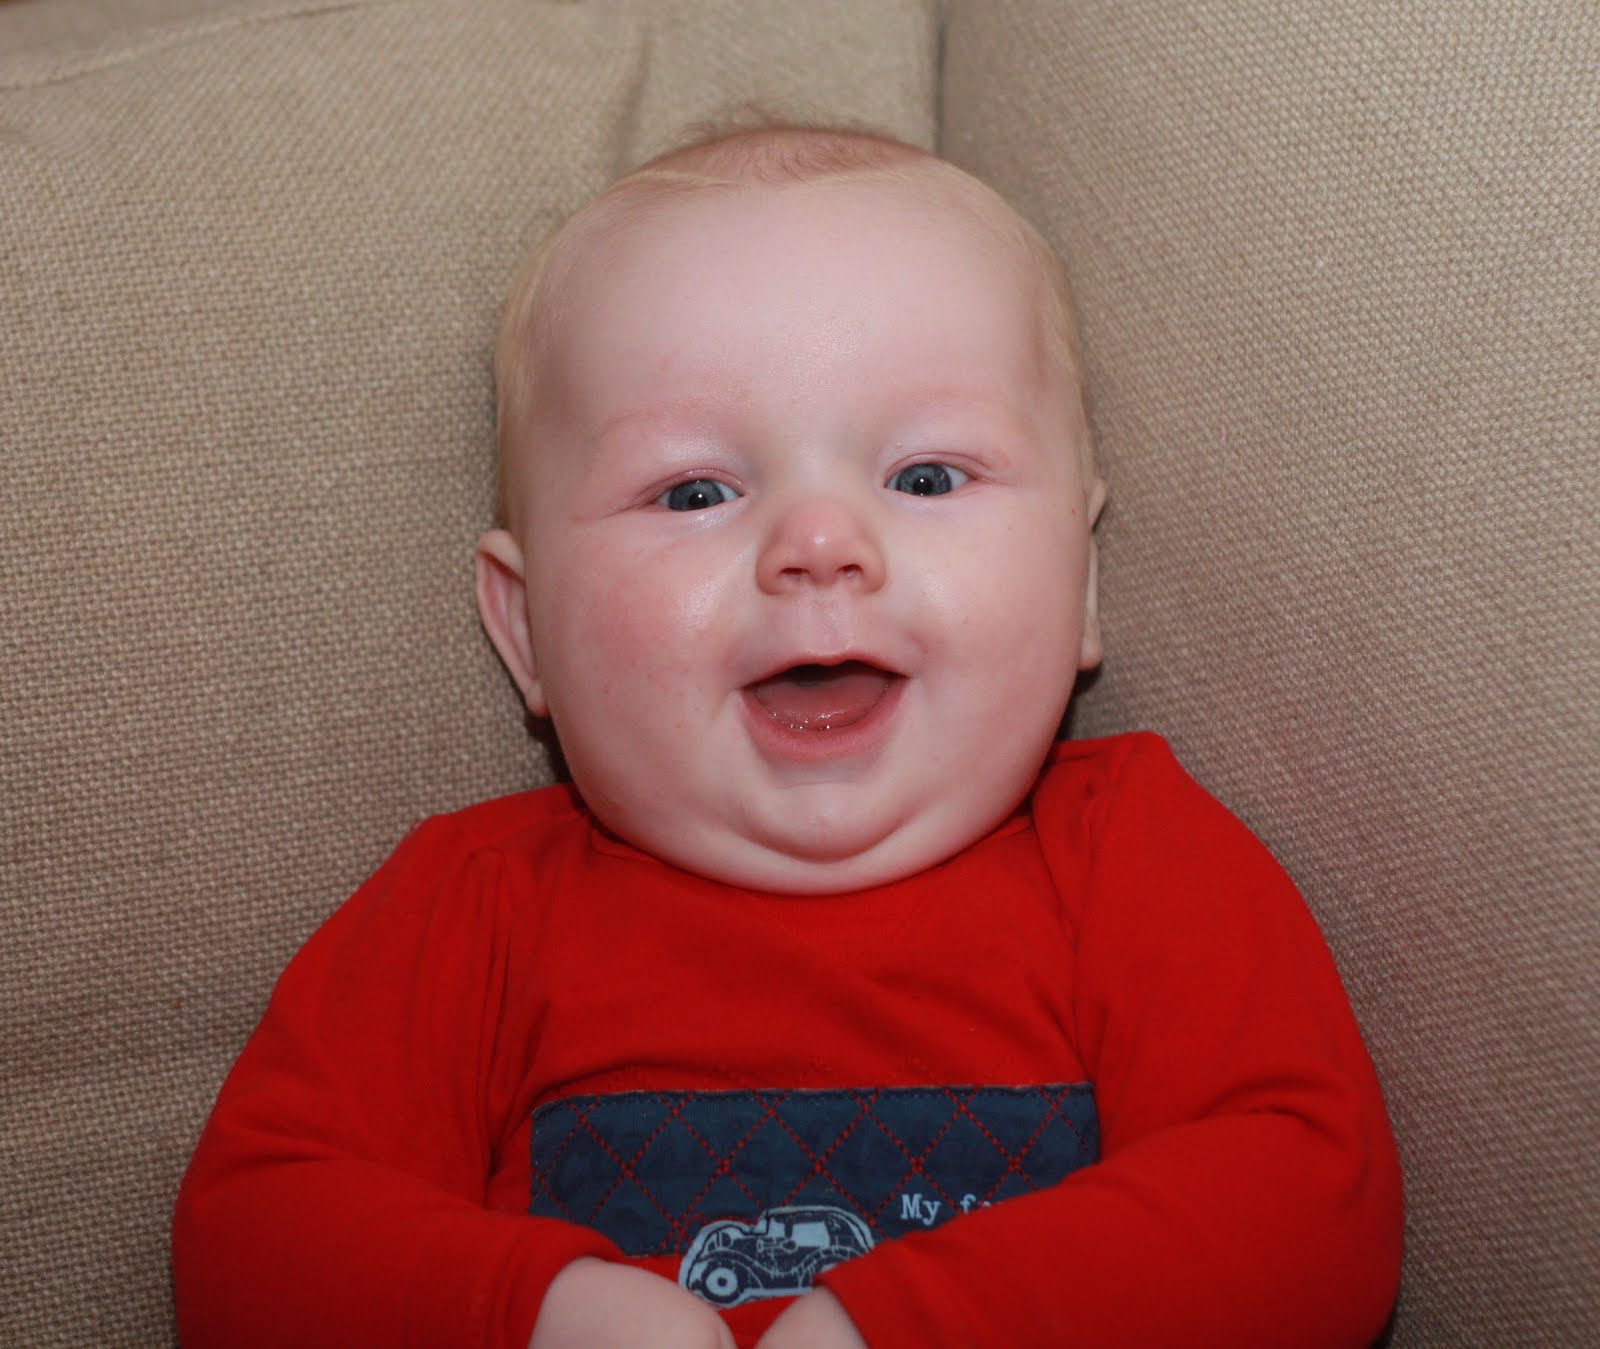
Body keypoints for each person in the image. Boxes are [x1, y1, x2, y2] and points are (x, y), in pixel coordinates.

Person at [172, 124, 1403, 1349]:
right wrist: (536, 1313)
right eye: (694, 492)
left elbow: (1304, 1208)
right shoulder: (470, 906)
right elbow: (254, 1244)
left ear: (1080, 582)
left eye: (926, 477)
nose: (818, 542)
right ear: (528, 628)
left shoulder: (1133, 857)